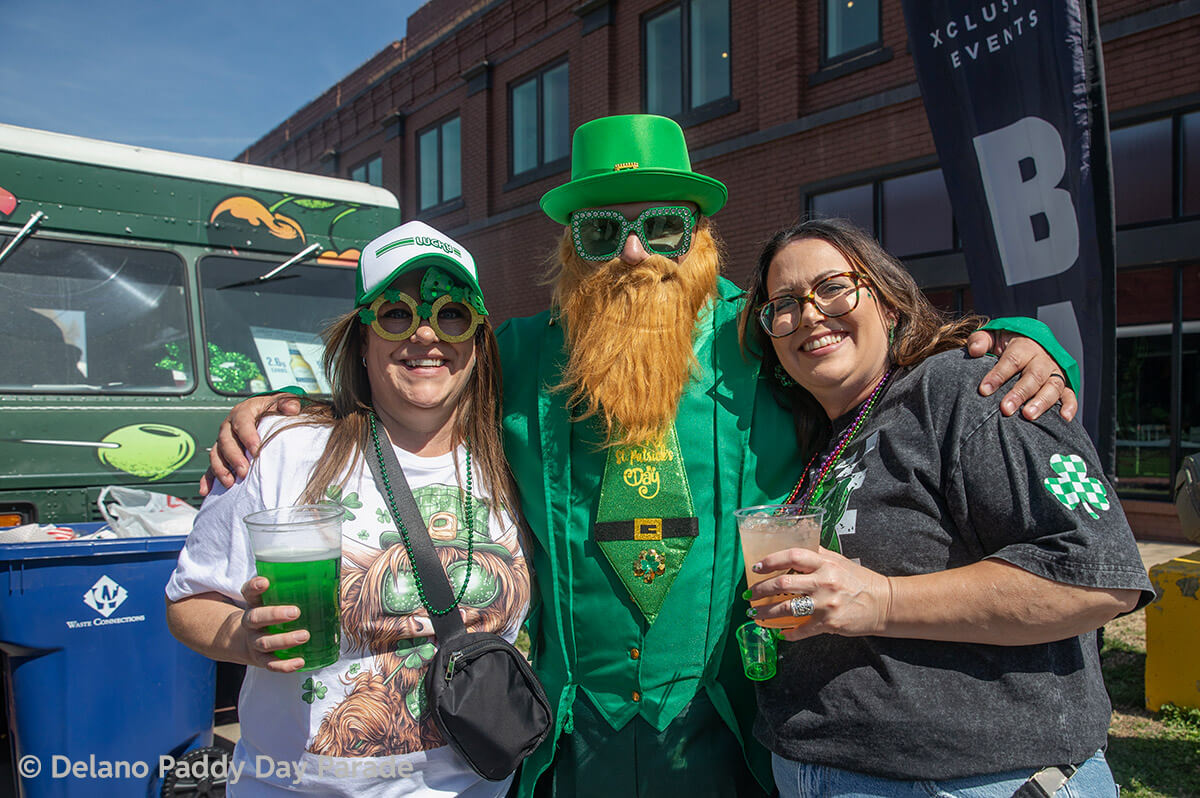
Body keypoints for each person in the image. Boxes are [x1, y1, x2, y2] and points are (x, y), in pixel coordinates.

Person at [201, 115, 1079, 798]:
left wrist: (1023, 338)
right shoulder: (523, 353)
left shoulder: (762, 332)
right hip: (567, 733)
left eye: (661, 226)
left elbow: (888, 357)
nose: (631, 252)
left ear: (699, 237)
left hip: (726, 720)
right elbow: (418, 372)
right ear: (566, 249)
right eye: (600, 231)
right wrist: (290, 411)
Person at [739, 218, 1154, 797]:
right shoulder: (820, 439)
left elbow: (1096, 577)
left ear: (886, 302)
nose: (808, 314)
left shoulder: (971, 387)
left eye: (833, 287)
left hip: (975, 780)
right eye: (783, 304)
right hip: (820, 773)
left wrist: (880, 600)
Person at [166, 221, 531, 797]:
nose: (426, 335)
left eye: (452, 313)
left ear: (478, 340)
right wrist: (241, 637)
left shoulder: (517, 454)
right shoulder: (280, 449)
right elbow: (191, 600)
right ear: (362, 338)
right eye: (396, 313)